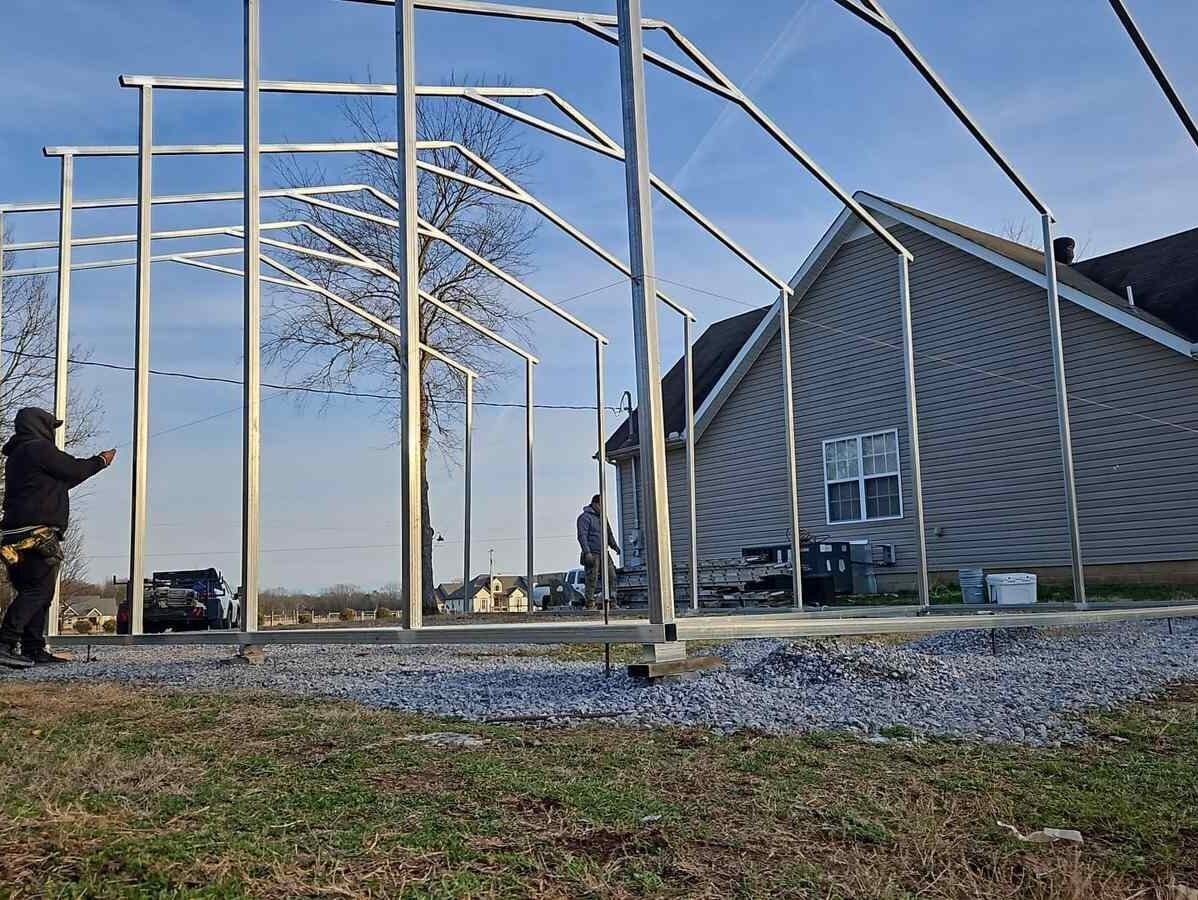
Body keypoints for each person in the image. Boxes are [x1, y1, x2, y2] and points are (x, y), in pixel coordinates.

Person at [0, 408, 115, 669]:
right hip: (34, 534)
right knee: (38, 590)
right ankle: (5, 643)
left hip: (12, 535)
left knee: (38, 592)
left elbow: (59, 481)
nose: (52, 431)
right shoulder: (38, 448)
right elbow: (73, 470)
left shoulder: (18, 455)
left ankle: (33, 649)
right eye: (51, 426)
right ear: (40, 426)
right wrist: (101, 461)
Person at [576, 494, 619, 610]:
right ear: (595, 504)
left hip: (604, 553)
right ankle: (590, 604)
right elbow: (582, 536)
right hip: (592, 554)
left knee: (612, 577)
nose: (602, 507)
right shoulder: (584, 518)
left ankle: (612, 602)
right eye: (601, 505)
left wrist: (615, 547)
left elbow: (609, 534)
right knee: (592, 579)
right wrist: (587, 552)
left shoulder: (603, 518)